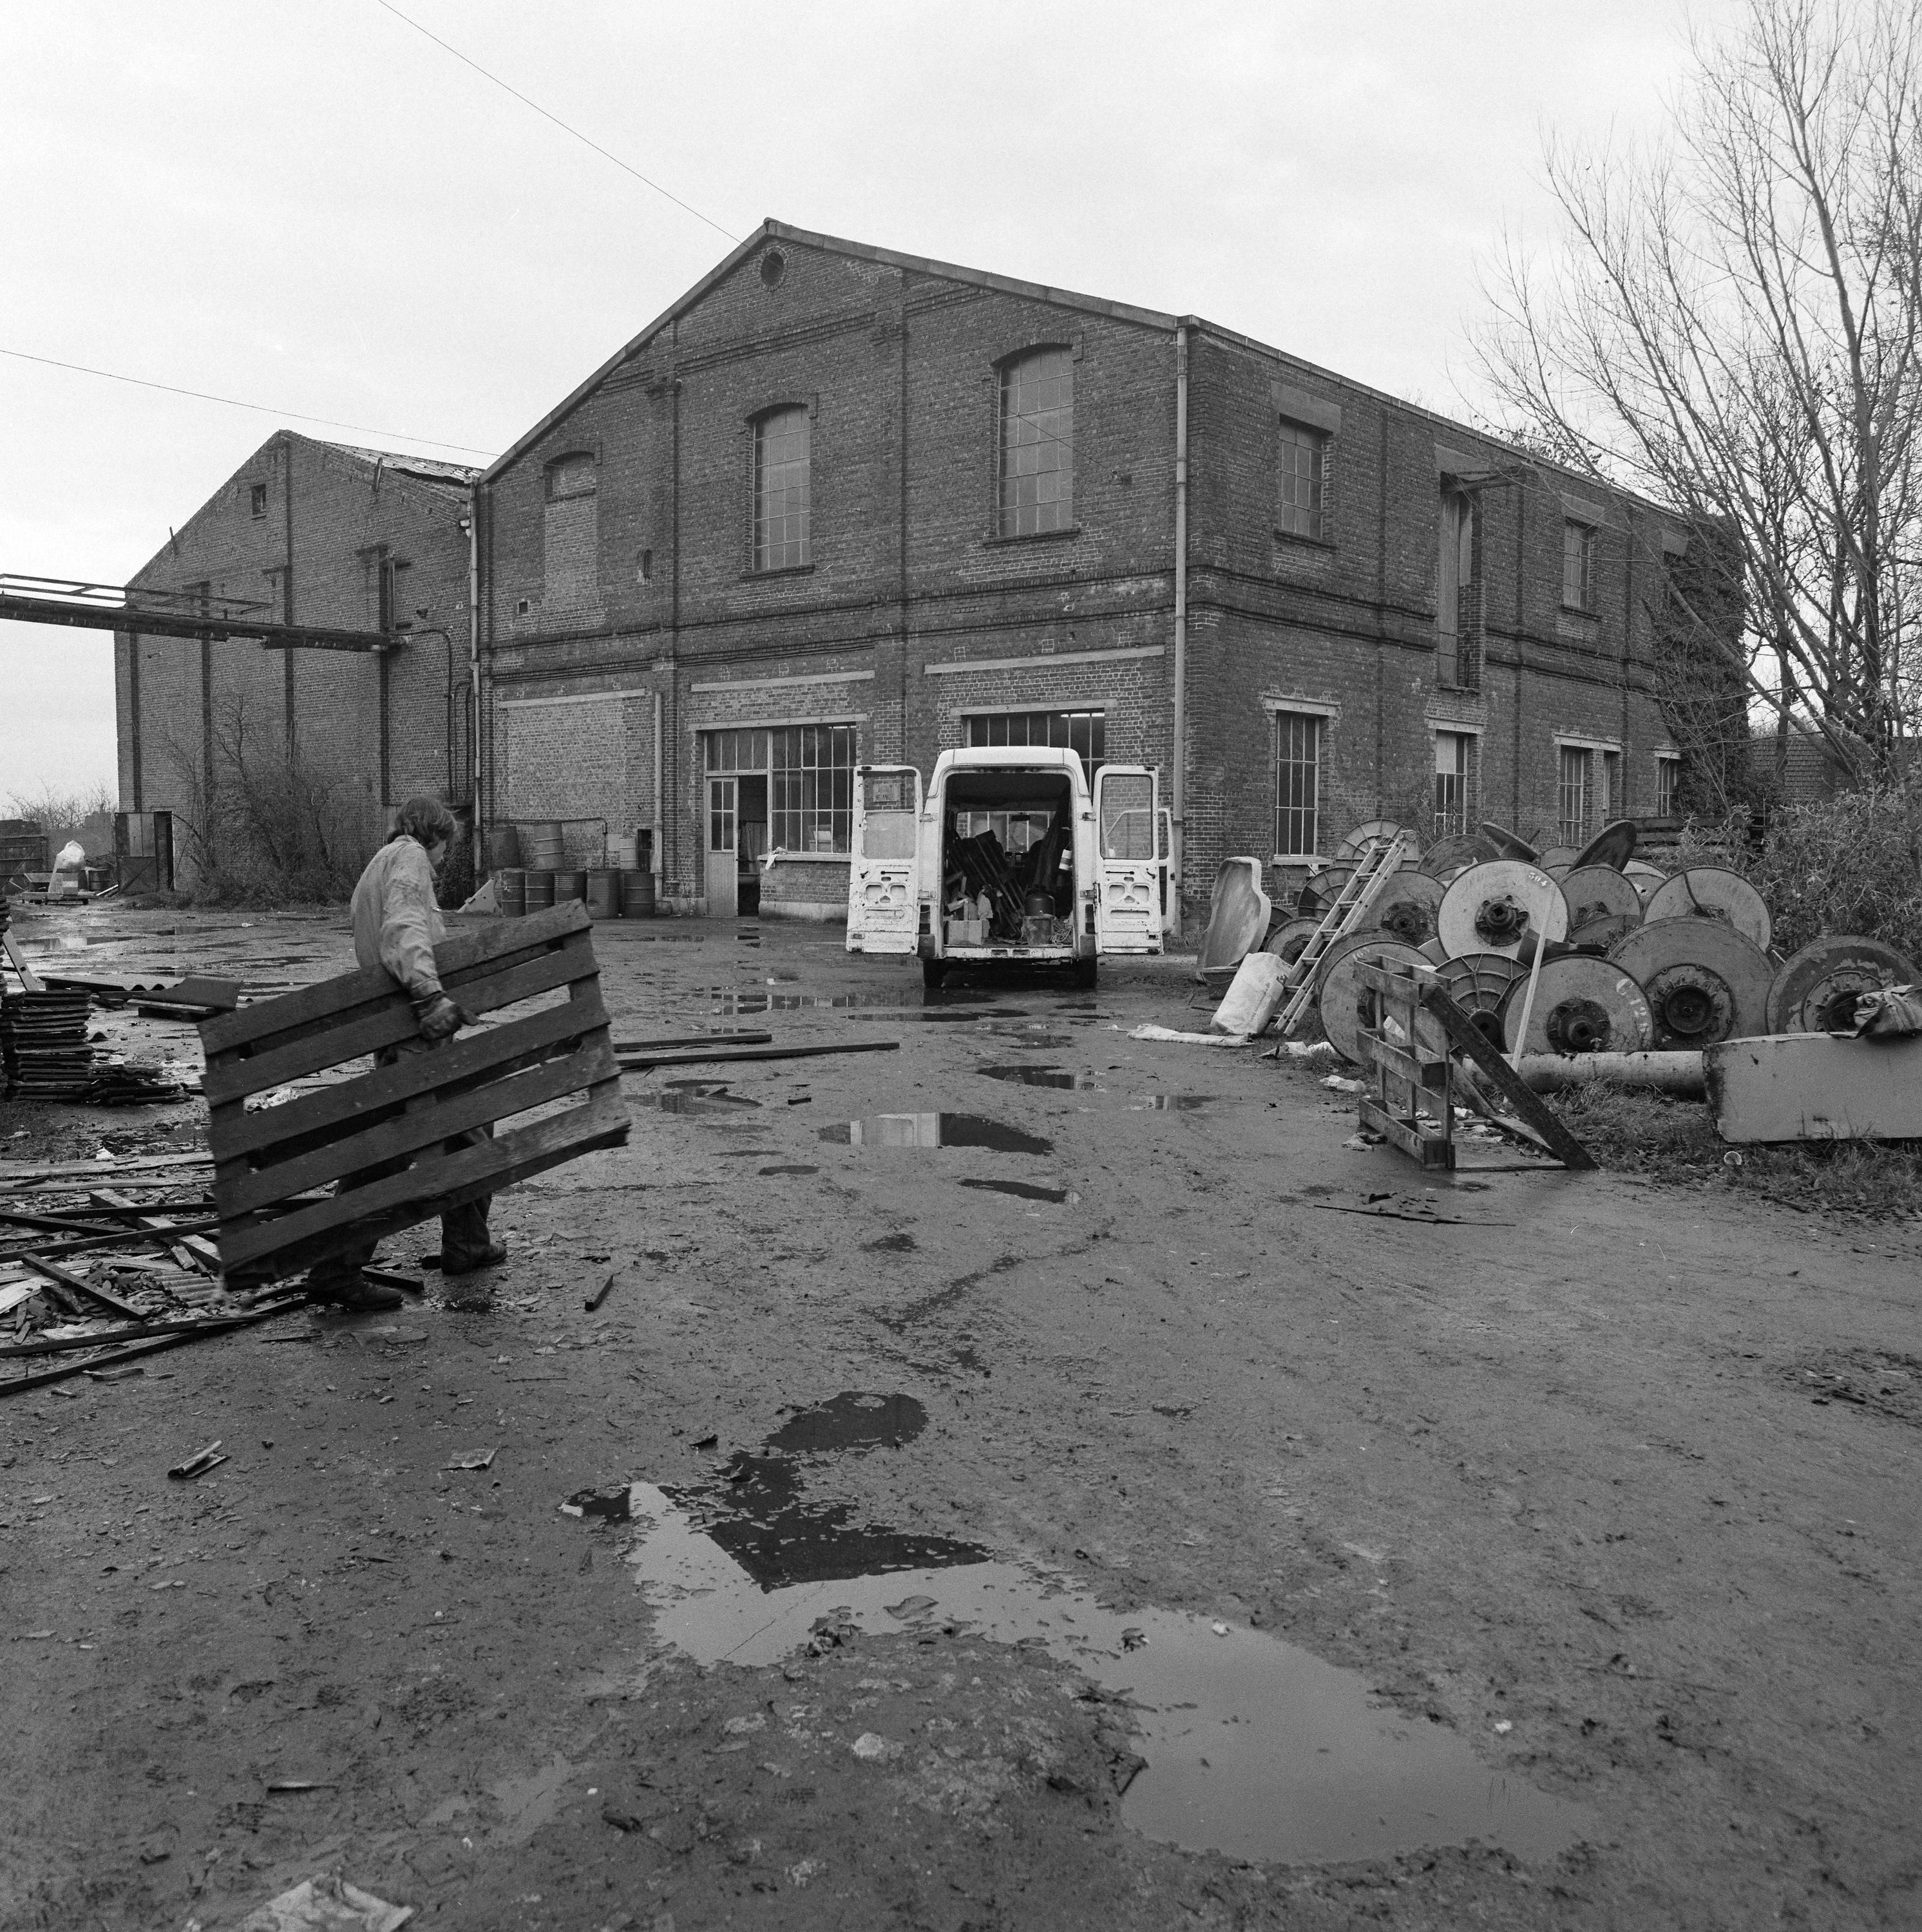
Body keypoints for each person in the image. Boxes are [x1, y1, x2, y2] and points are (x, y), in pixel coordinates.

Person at [303, 795, 507, 1312]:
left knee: (469, 1129)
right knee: (387, 1155)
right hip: (412, 1031)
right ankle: (336, 1270)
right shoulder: (411, 859)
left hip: (400, 1030)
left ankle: (467, 1245)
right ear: (436, 835)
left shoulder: (381, 861)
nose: (443, 861)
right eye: (447, 849)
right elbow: (403, 930)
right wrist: (430, 994)